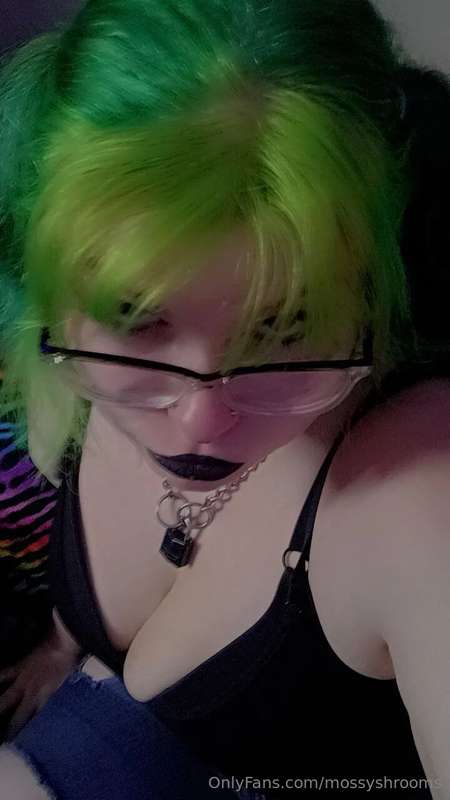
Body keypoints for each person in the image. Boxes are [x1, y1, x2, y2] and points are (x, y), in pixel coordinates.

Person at [0, 0, 449, 797]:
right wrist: (62, 646)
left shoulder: (418, 494)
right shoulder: (65, 369)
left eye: (287, 325)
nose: (199, 421)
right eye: (136, 316)